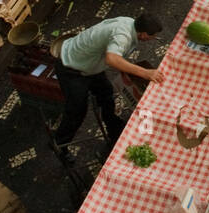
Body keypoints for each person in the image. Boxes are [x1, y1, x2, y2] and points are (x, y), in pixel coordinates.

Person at [53, 13, 164, 151]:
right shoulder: (123, 36)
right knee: (77, 112)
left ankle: (114, 128)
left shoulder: (130, 22)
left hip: (90, 66)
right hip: (71, 68)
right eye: (152, 36)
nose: (153, 39)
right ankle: (59, 144)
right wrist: (145, 72)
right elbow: (112, 59)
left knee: (106, 94)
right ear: (143, 34)